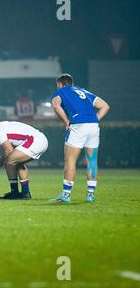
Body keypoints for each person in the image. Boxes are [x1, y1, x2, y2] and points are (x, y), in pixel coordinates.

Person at [50, 74, 110, 203]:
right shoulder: (83, 91)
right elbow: (105, 106)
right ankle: (90, 195)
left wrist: (66, 121)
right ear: (72, 83)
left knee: (70, 161)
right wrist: (94, 119)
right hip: (93, 126)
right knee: (92, 161)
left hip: (78, 126)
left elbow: (56, 105)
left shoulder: (60, 91)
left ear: (60, 84)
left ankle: (66, 195)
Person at [0, 114, 48, 199]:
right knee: (16, 162)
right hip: (39, 139)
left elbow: (9, 150)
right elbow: (11, 148)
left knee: (9, 161)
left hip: (35, 141)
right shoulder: (2, 126)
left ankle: (14, 193)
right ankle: (25, 193)